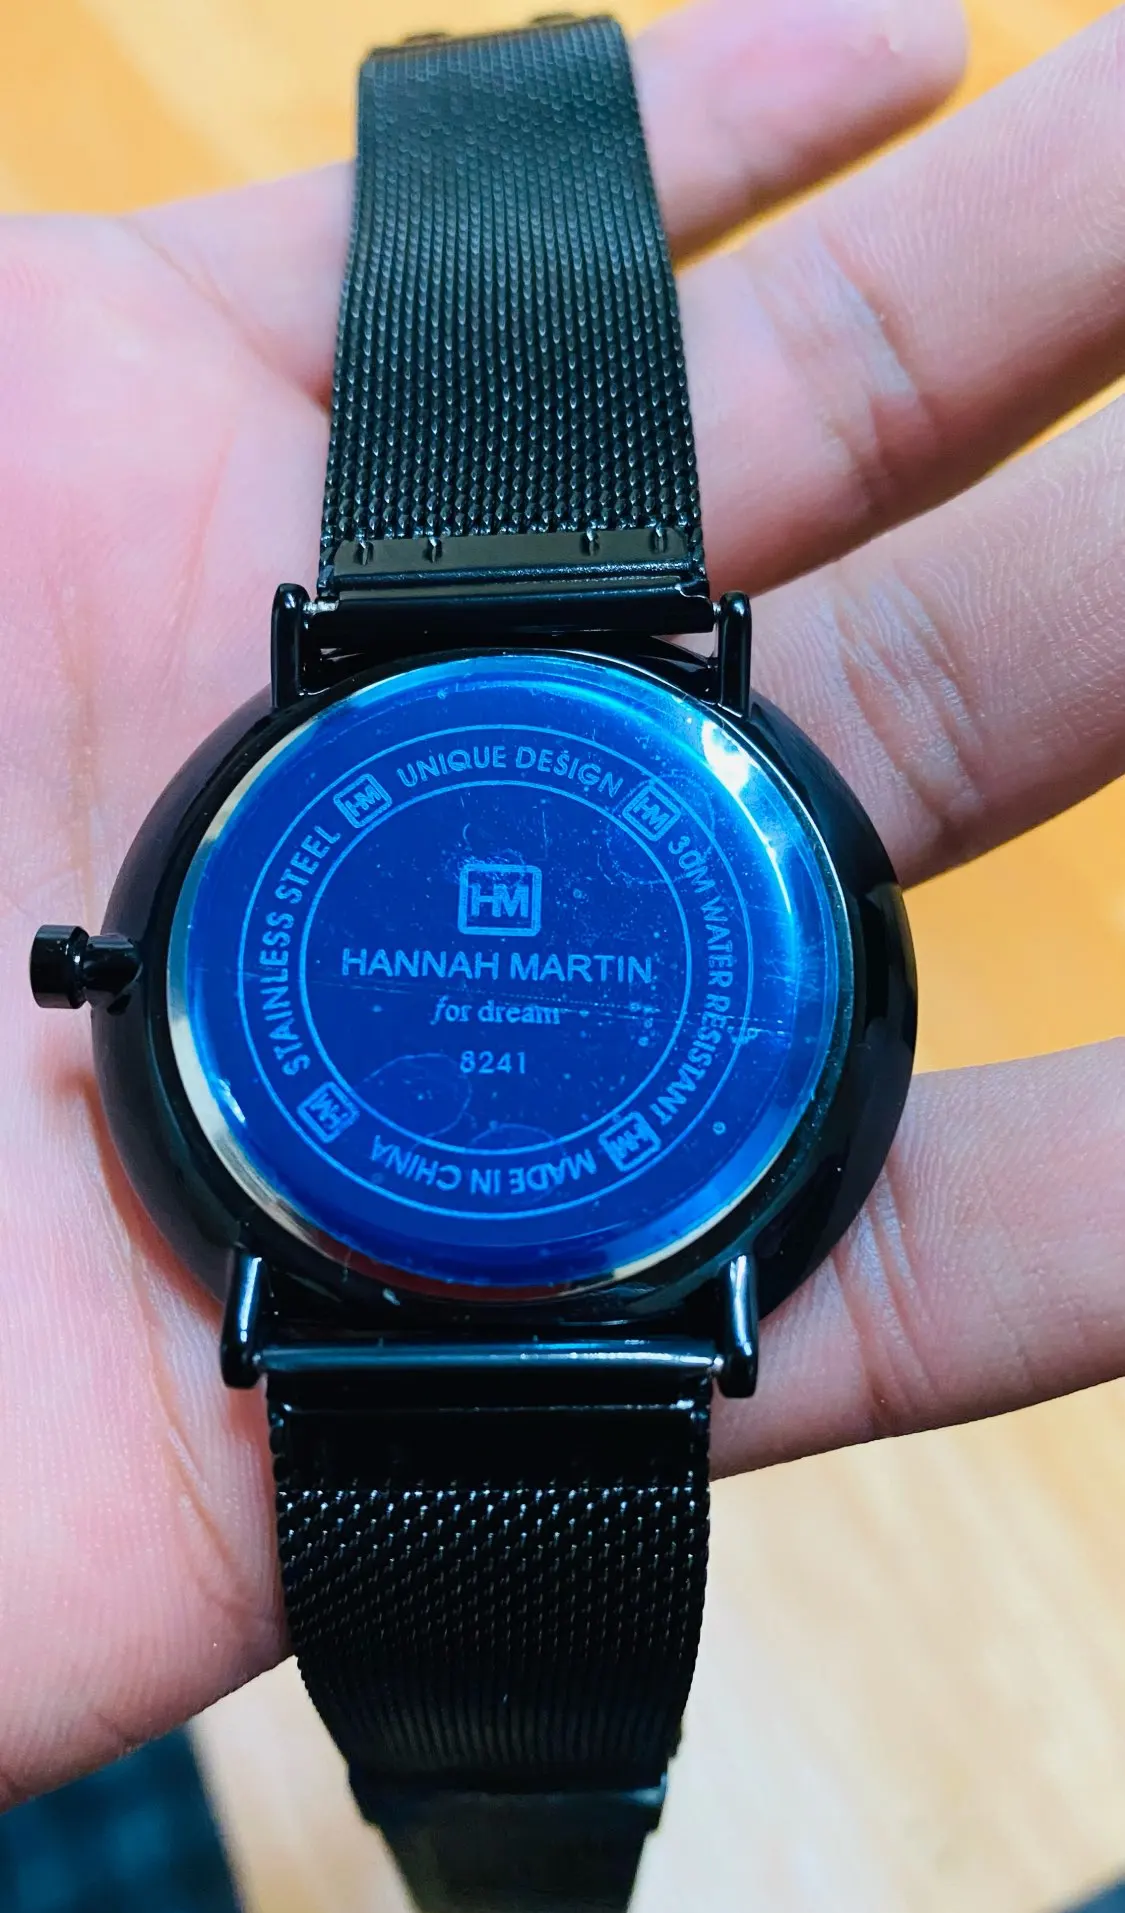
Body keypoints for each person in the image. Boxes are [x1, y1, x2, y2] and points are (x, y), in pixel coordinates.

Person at [5, 0, 1124, 1808]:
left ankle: (506, 1822)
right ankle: (506, 1820)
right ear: (111, 977)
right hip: (495, 1294)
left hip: (487, 1293)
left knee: (505, 1782)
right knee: (502, 1782)